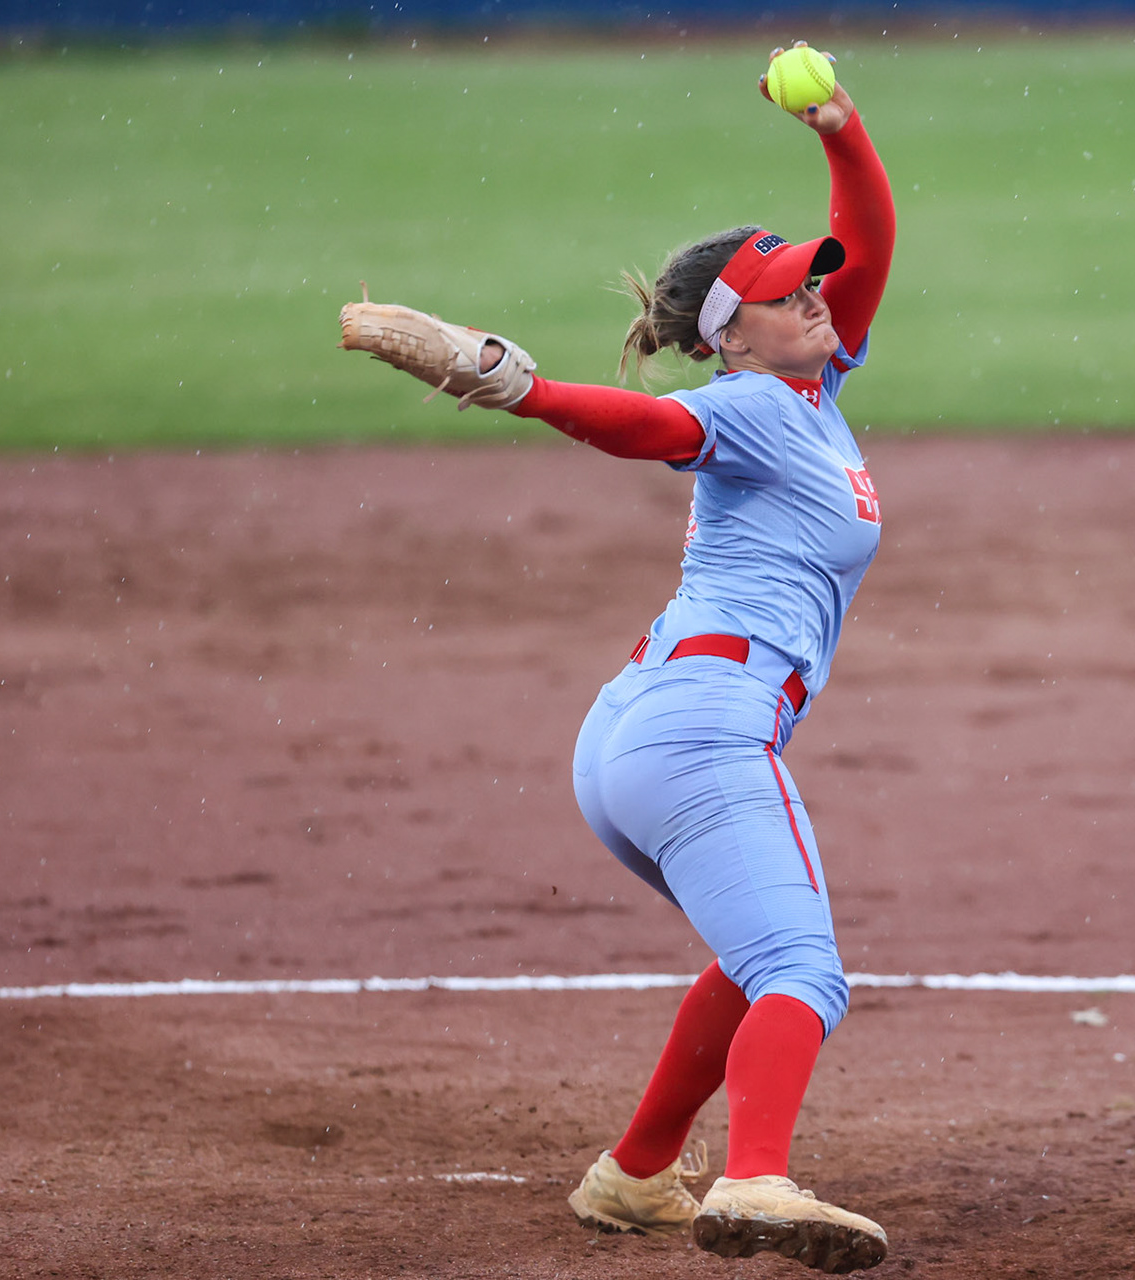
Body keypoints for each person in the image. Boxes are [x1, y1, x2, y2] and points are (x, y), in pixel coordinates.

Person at [338, 44, 895, 1276]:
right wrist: (528, 391)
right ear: (729, 335)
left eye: (810, 281)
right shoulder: (744, 410)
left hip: (635, 741)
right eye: (785, 290)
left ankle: (635, 1175)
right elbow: (648, 424)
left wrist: (841, 129)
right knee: (801, 965)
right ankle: (754, 1178)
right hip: (698, 731)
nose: (813, 293)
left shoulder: (811, 379)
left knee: (749, 953)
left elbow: (868, 238)